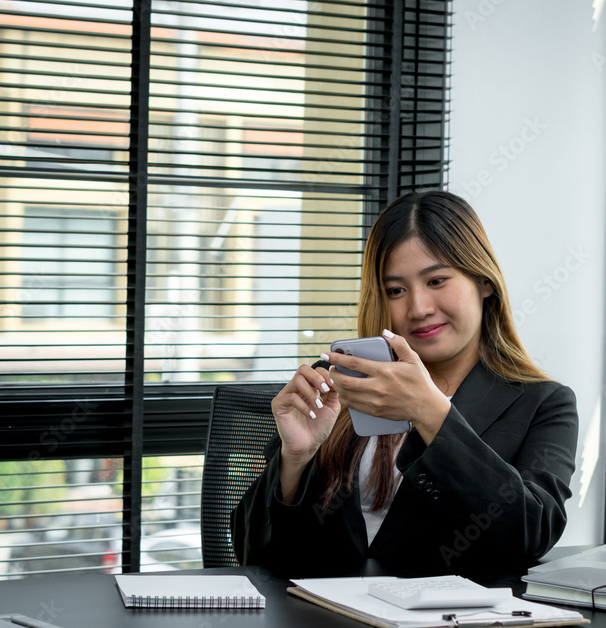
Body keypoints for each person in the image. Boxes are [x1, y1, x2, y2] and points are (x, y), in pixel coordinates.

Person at [231, 190, 578, 577]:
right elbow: (253, 555)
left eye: (437, 280)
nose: (418, 308)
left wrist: (430, 412)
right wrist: (294, 461)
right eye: (396, 290)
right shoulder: (341, 382)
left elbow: (529, 534)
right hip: (320, 625)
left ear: (484, 281)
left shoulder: (543, 404)